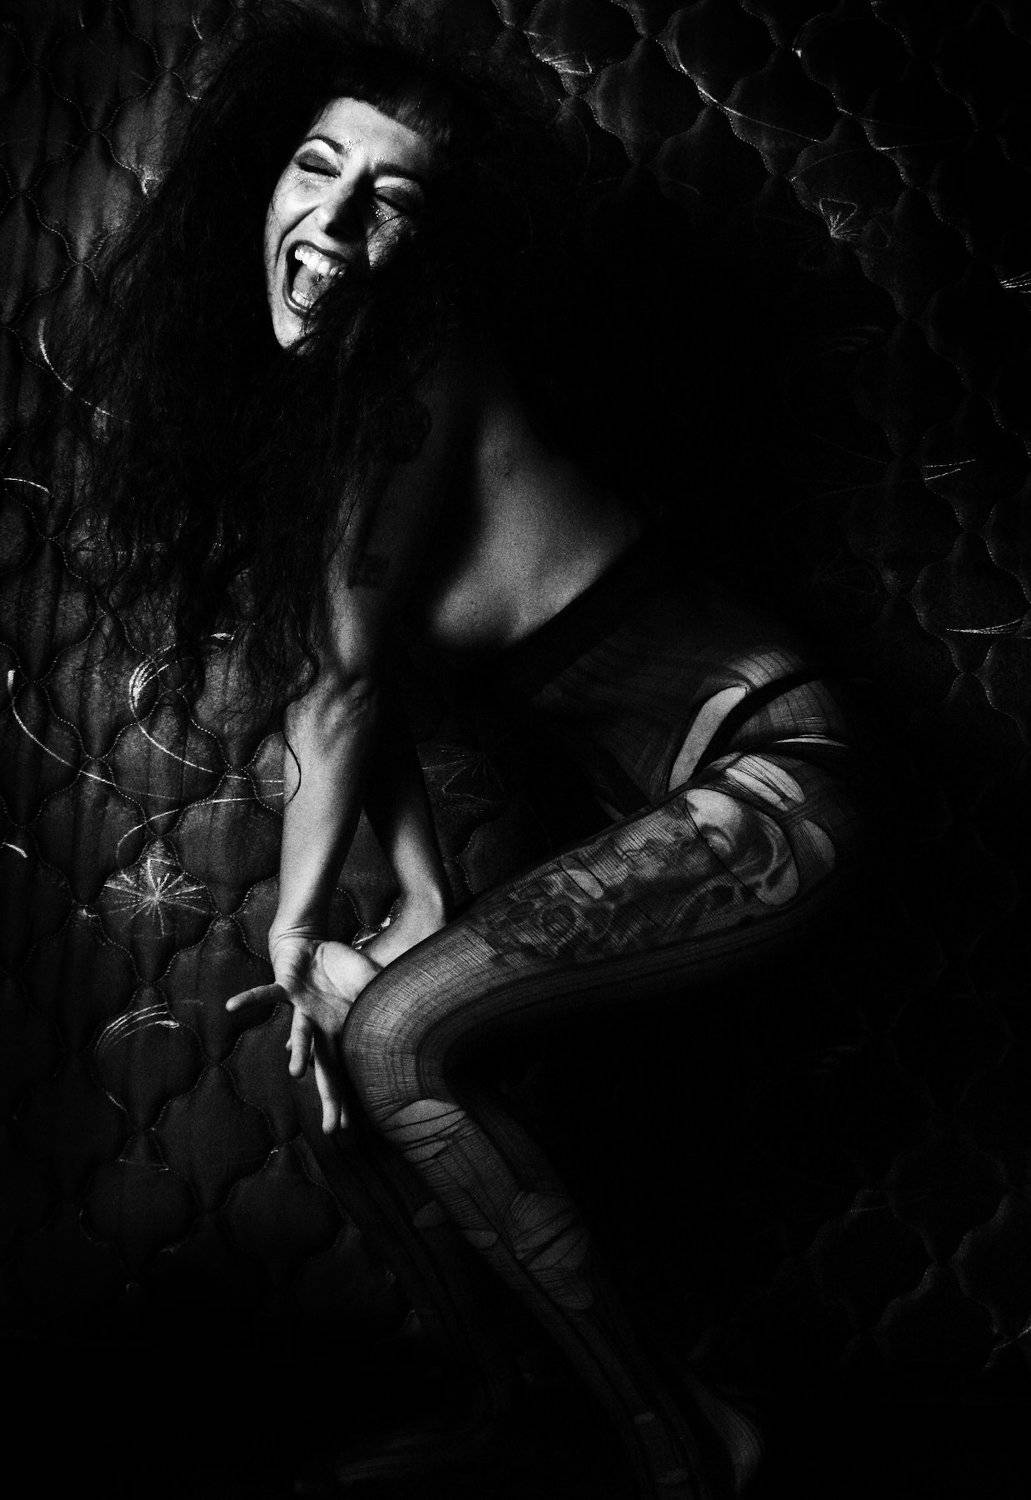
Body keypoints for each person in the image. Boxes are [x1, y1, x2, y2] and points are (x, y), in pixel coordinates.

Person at [53, 5, 866, 1495]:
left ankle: (692, 1443)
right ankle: (513, 1412)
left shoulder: (411, 369)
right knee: (349, 1050)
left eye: (394, 198)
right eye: (318, 168)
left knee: (389, 1031)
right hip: (685, 798)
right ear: (266, 182)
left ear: (438, 249)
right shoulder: (320, 420)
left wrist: (296, 927)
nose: (334, 218)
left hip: (779, 775)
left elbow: (343, 694)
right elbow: (366, 694)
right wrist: (416, 902)